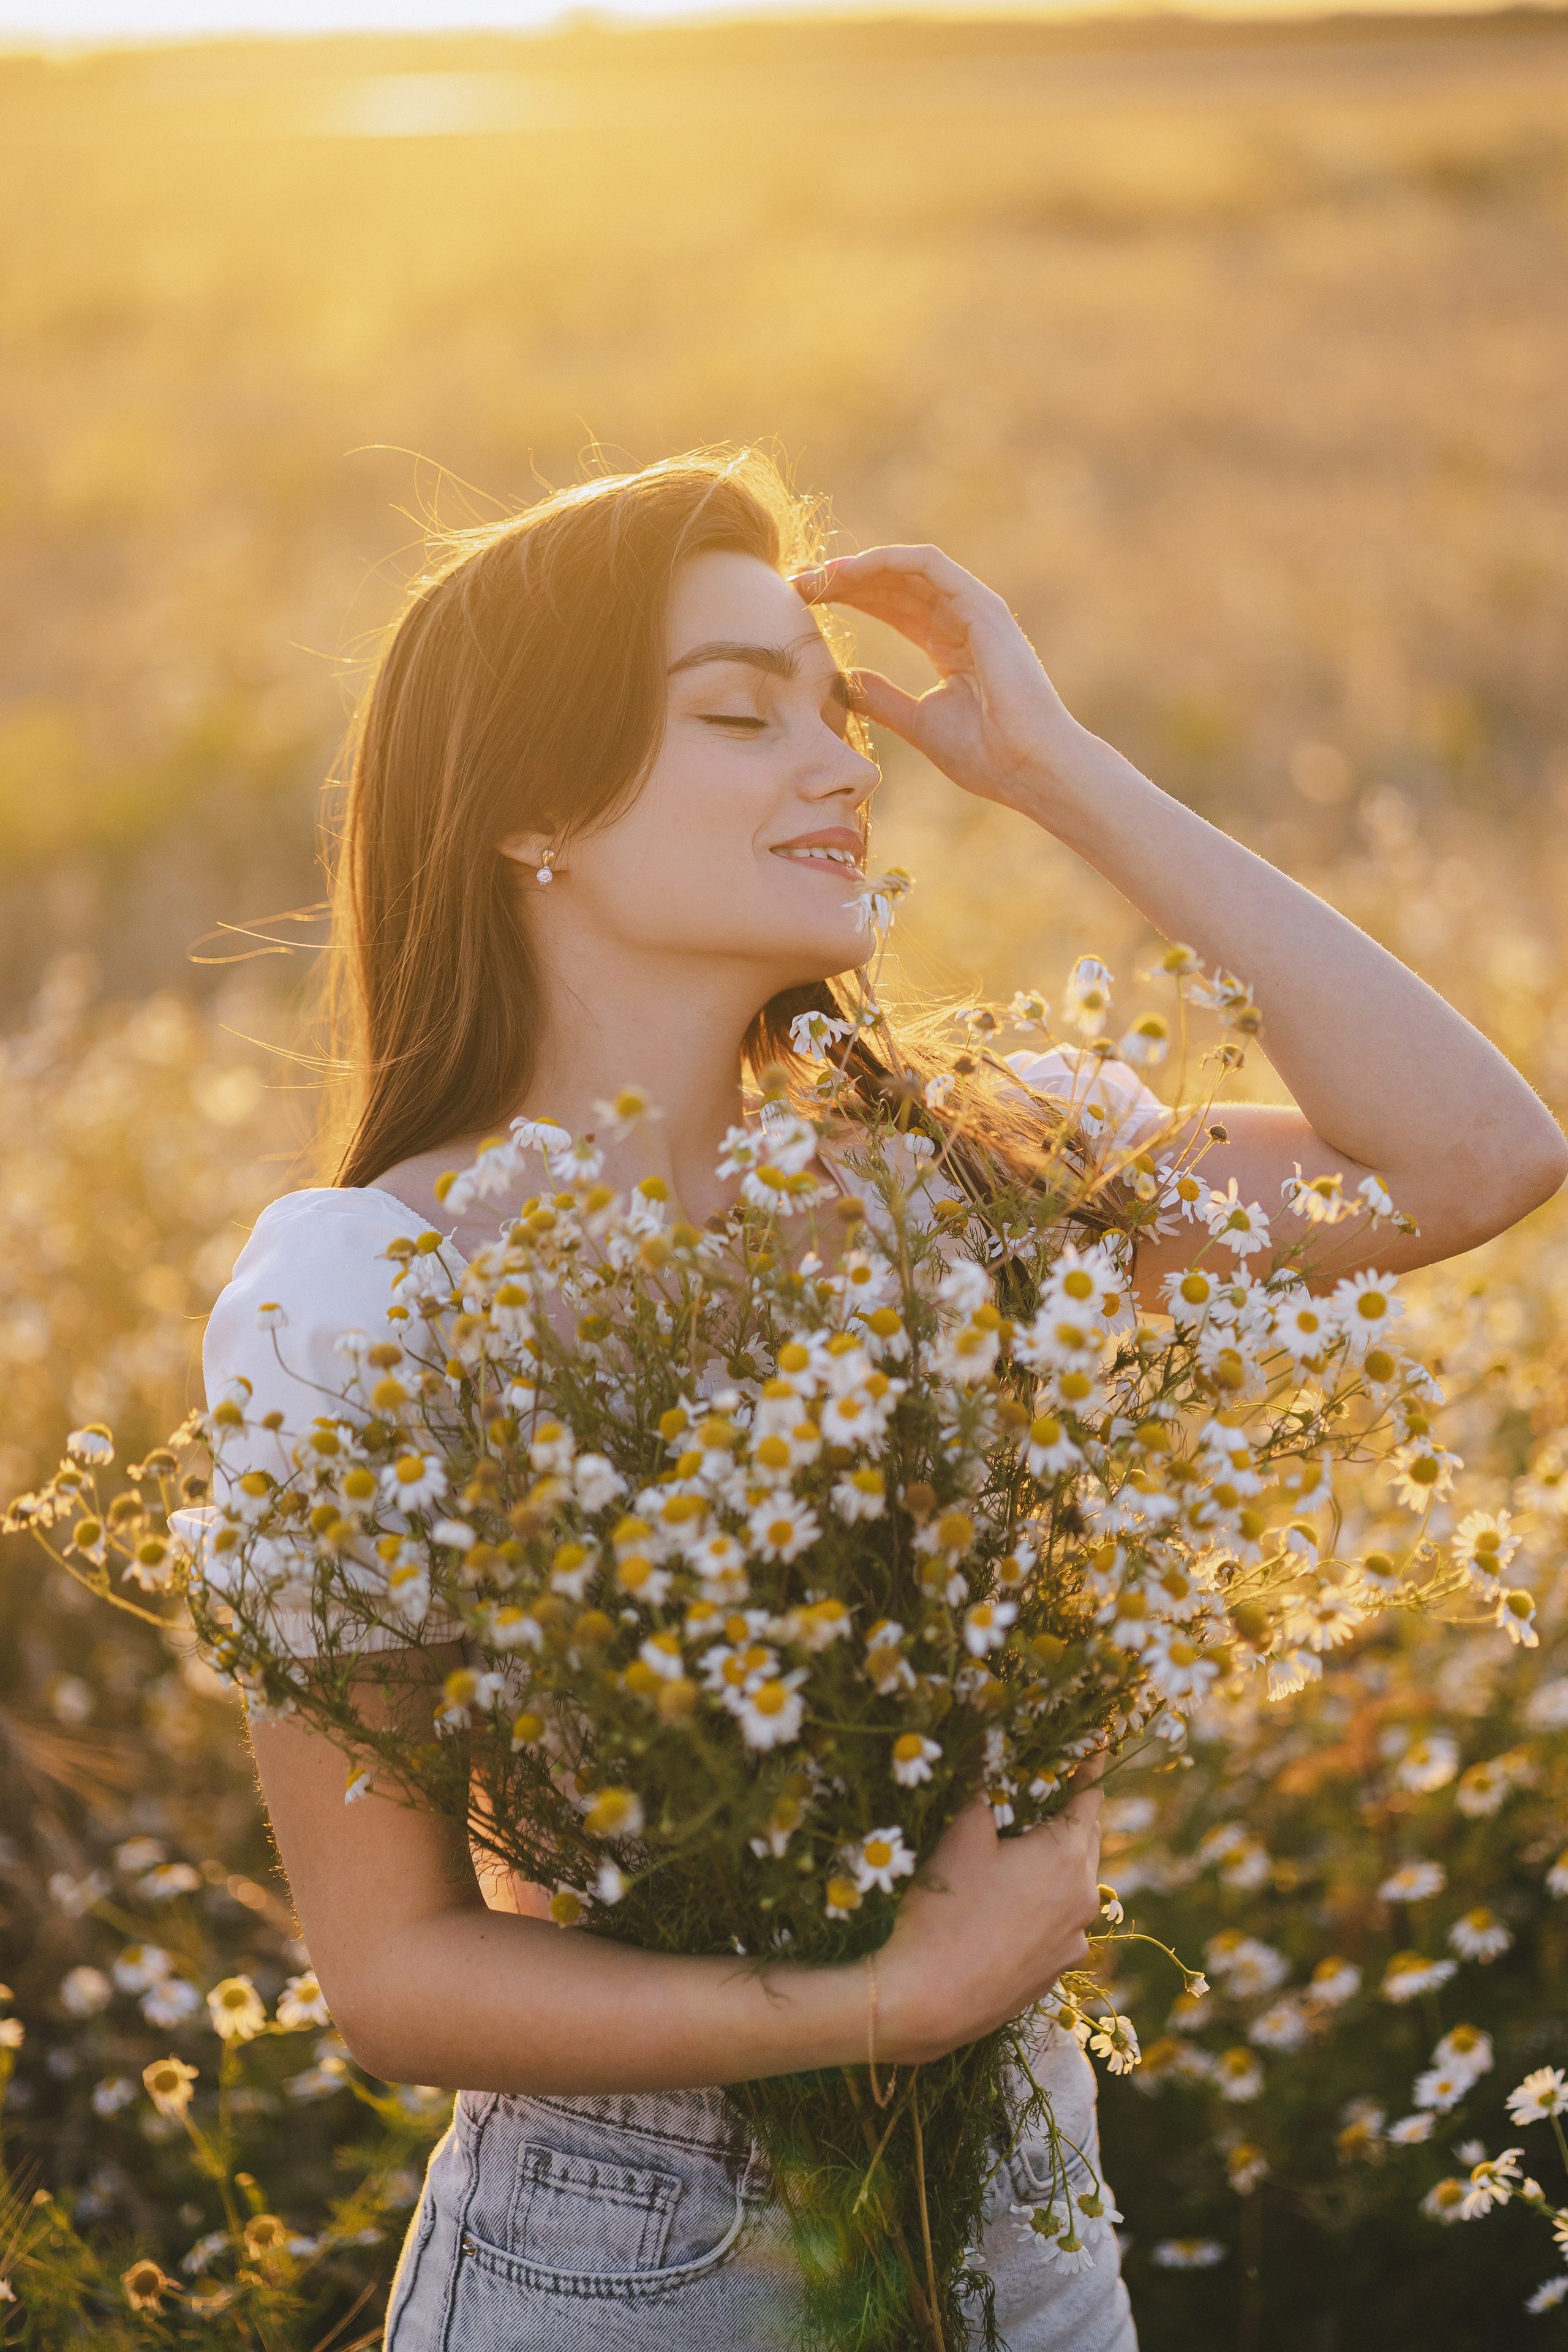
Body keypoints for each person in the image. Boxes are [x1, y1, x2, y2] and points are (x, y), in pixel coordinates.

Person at [208, 447, 1566, 2351]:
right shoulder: (362, 1294)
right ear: (532, 803)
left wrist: (1060, 772)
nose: (846, 767)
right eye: (741, 715)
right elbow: (392, 1975)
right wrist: (886, 2009)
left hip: (1020, 2213)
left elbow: (1475, 1161)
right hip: (622, 2260)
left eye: (835, 712)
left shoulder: (971, 1170)